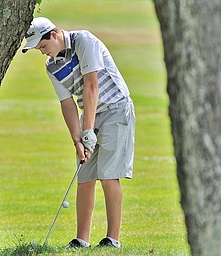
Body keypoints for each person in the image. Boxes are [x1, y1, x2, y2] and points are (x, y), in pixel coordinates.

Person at [22, 17, 135, 248]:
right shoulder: (52, 67)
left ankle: (112, 240)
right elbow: (67, 104)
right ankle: (81, 240)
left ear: (53, 34)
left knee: (108, 174)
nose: (43, 53)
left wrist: (87, 132)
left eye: (42, 47)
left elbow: (91, 85)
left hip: (115, 108)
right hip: (90, 116)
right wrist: (78, 140)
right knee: (85, 177)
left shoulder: (84, 41)